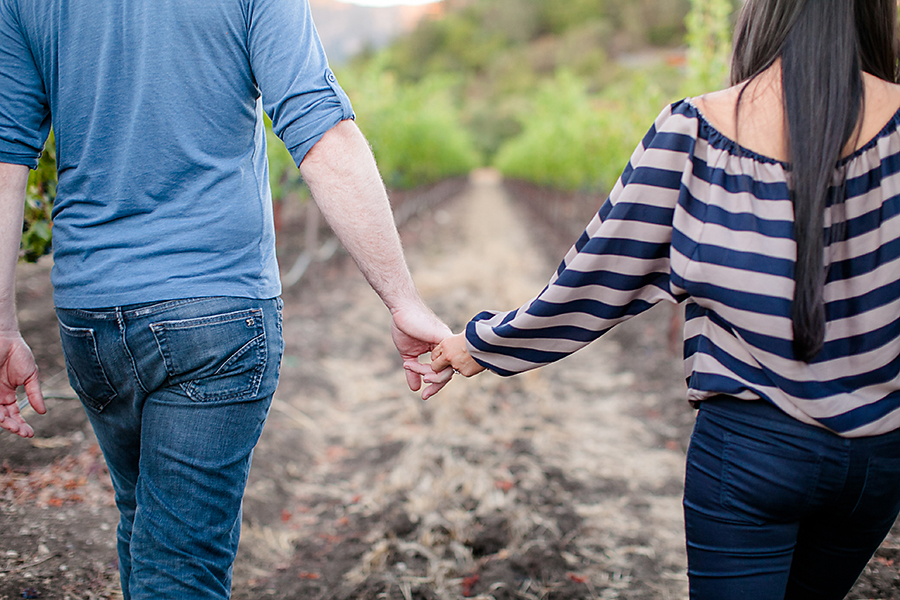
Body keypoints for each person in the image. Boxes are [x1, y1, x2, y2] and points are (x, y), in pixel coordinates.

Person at [424, 0, 900, 597]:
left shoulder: (697, 129)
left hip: (751, 451)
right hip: (881, 459)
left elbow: (597, 277)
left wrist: (482, 345)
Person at [0, 0, 450, 598]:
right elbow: (319, 127)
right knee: (180, 565)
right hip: (215, 310)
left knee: (144, 523)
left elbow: (7, 156)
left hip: (91, 311)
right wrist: (402, 298)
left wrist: (4, 322)